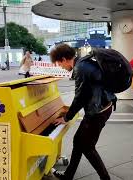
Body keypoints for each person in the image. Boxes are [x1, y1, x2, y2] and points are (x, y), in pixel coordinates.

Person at [50, 44, 116, 180]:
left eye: (59, 64)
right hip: (103, 106)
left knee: (88, 147)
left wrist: (67, 117)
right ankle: (68, 176)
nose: (61, 67)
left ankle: (105, 178)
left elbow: (80, 97)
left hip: (97, 111)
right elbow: (85, 93)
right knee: (78, 141)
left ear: (64, 59)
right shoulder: (84, 63)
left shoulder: (80, 68)